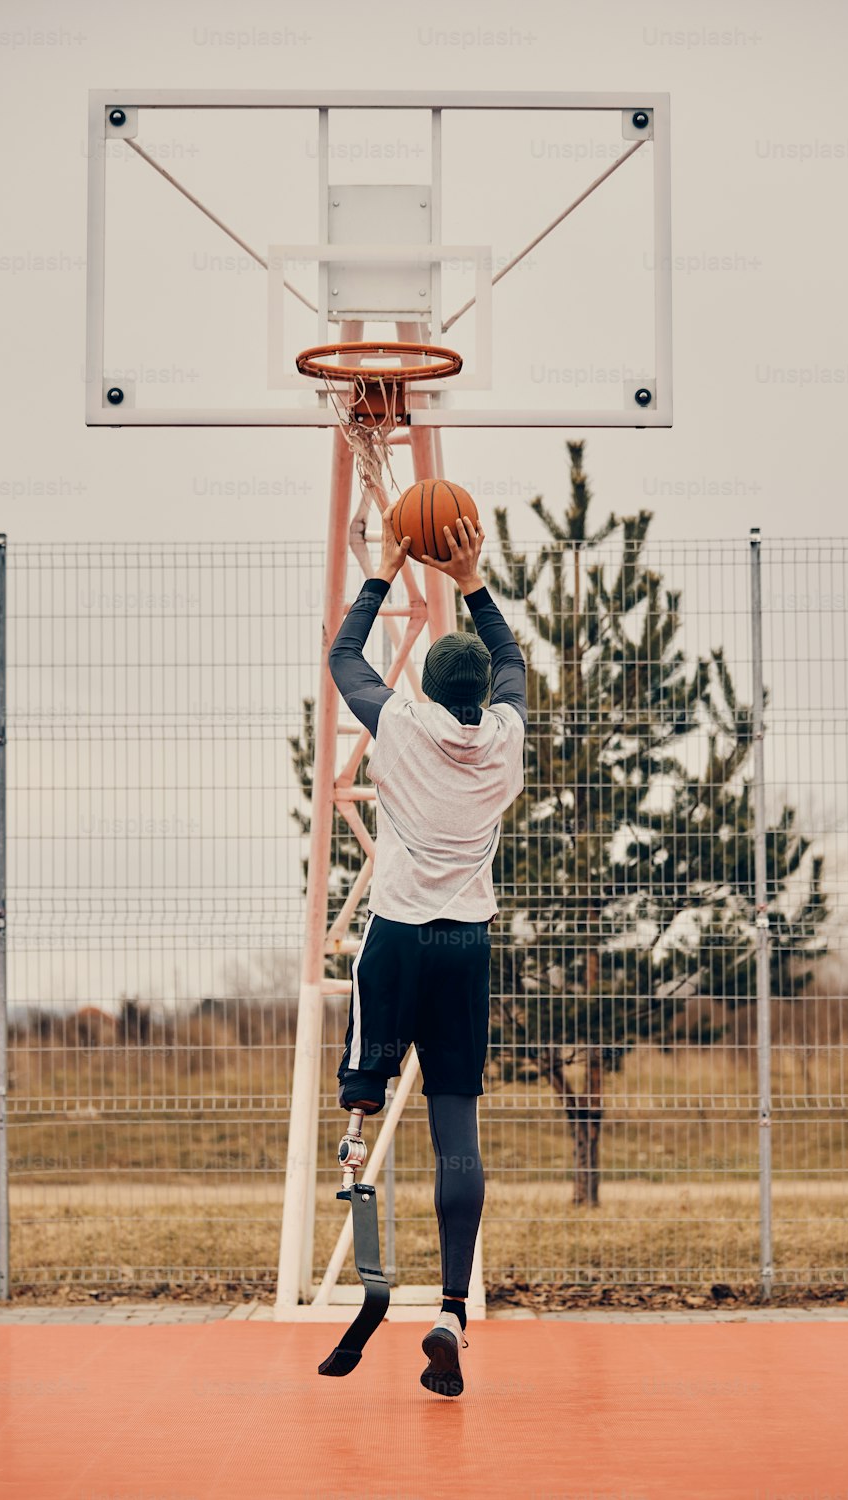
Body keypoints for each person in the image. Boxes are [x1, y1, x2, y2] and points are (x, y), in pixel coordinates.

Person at [327, 502, 527, 1398]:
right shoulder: (506, 743)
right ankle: (451, 1307)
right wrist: (470, 578)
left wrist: (387, 566)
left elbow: (343, 660)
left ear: (428, 689)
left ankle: (357, 1123)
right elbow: (515, 663)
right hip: (465, 947)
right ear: (479, 695)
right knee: (457, 1125)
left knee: (369, 1056)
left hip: (399, 941)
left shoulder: (397, 728)